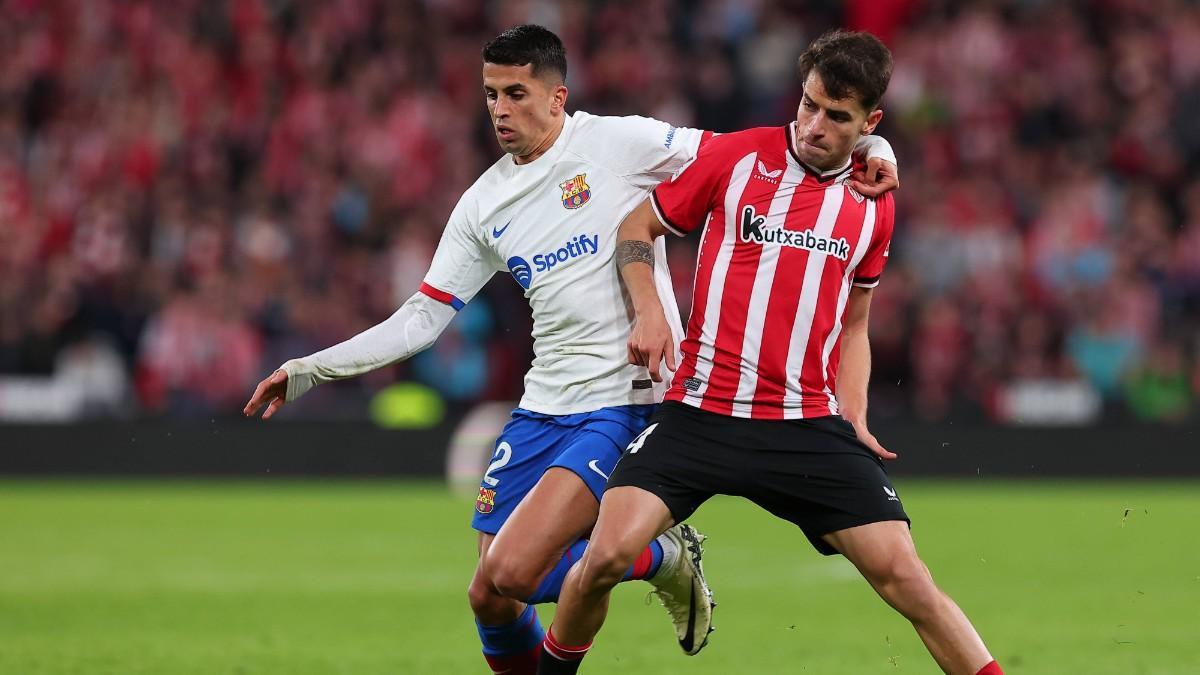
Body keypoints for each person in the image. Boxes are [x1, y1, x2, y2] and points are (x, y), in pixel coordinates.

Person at [243, 25, 900, 674]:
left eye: (518, 93)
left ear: (558, 98)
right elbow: (421, 319)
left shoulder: (620, 143)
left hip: (625, 397)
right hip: (543, 405)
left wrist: (874, 146)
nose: (501, 109)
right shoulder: (483, 205)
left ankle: (660, 557)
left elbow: (766, 152)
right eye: (492, 93)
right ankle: (653, 556)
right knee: (488, 597)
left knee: (516, 570)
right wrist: (309, 369)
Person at [539, 30, 1002, 675]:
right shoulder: (738, 157)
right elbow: (635, 226)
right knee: (605, 560)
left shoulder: (875, 204)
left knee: (908, 579)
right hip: (701, 412)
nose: (813, 124)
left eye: (836, 116)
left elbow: (856, 324)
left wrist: (855, 416)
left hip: (804, 425)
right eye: (808, 104)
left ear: (869, 122)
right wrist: (648, 310)